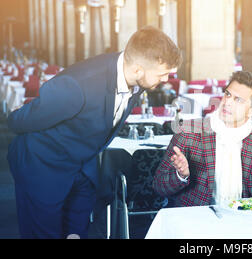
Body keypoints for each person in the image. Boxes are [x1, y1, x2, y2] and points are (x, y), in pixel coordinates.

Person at [7, 25, 182, 238]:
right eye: (162, 74)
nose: (166, 80)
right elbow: (23, 121)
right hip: (43, 166)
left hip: (83, 167)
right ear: (137, 69)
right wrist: (13, 116)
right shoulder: (78, 86)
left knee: (77, 234)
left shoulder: (137, 76)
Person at [152, 71, 252, 207]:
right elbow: (159, 187)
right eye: (227, 94)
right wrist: (181, 175)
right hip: (196, 222)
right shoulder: (188, 131)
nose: (227, 102)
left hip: (243, 222)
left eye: (238, 100)